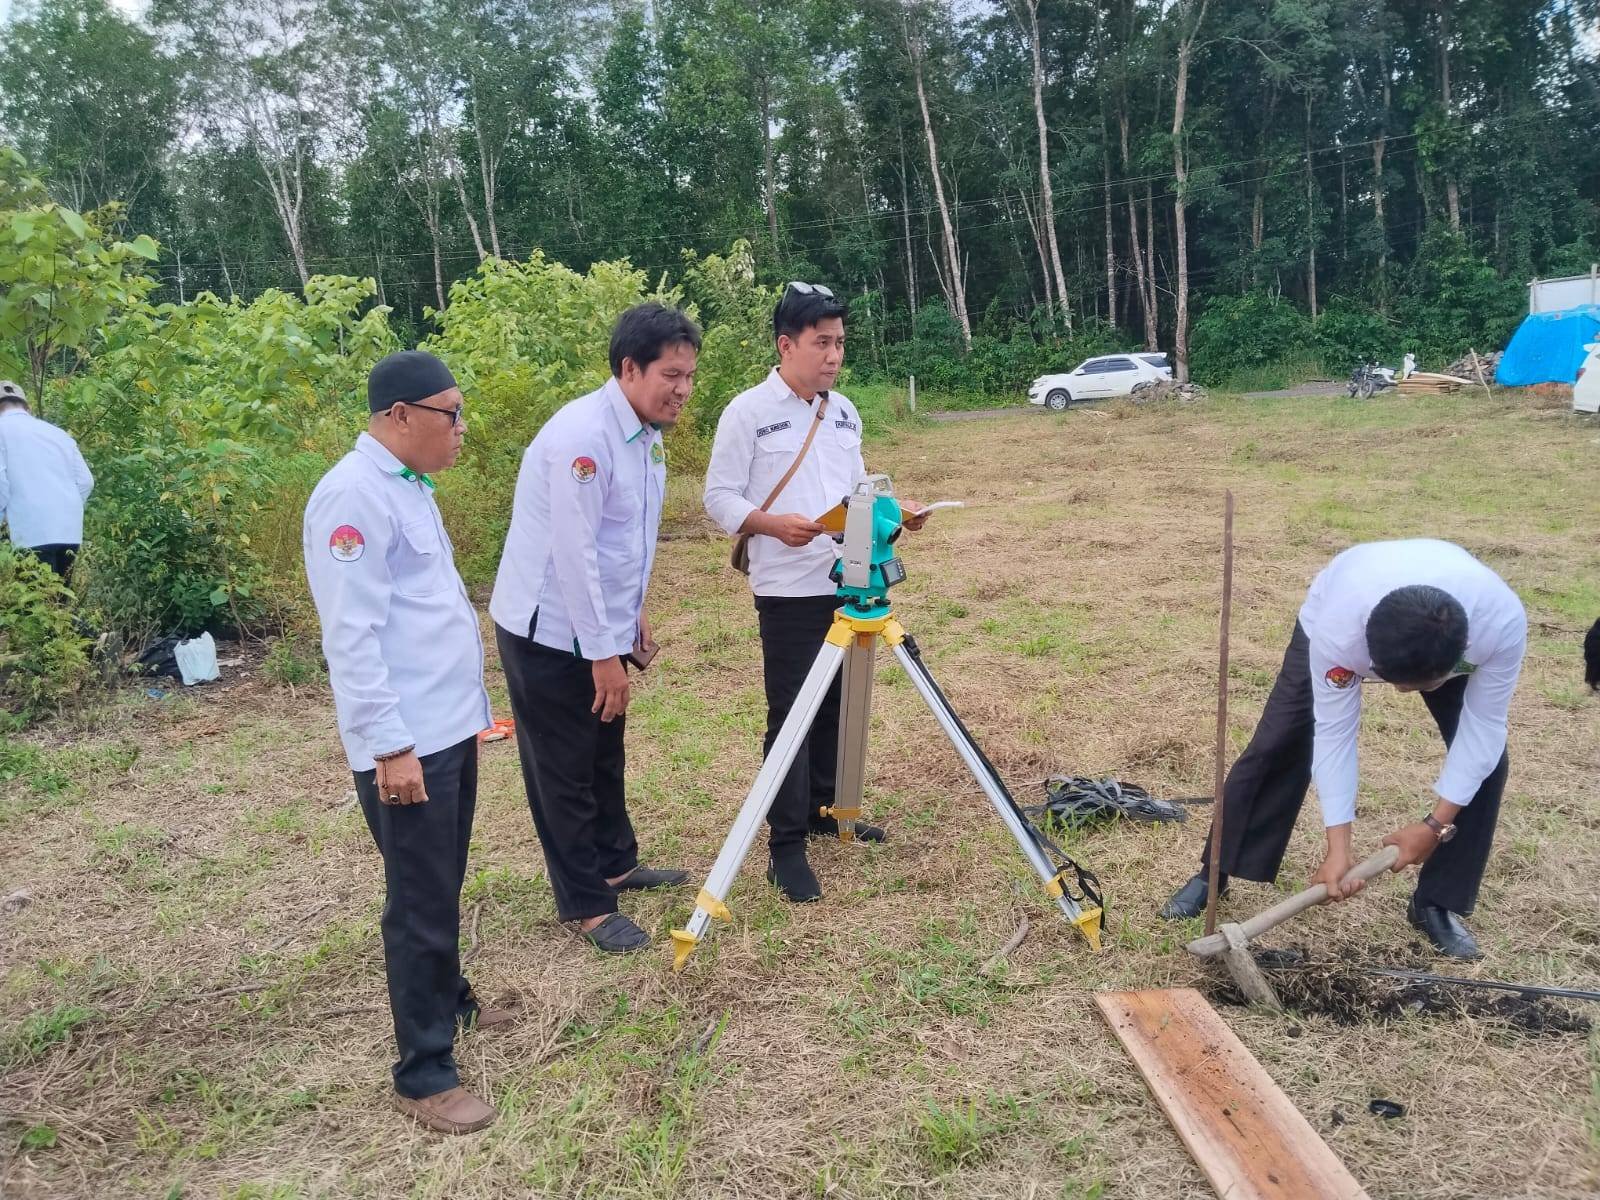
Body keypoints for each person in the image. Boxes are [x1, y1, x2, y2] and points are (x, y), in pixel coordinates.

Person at [303, 350, 511, 1135]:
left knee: (440, 880)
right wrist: (390, 746)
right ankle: (424, 1074)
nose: (461, 429)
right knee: (419, 900)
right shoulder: (352, 498)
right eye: (449, 414)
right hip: (407, 744)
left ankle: (448, 999)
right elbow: (351, 638)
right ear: (399, 416)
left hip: (445, 725)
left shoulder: (408, 489)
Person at [1160, 539, 1527, 960]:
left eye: (1419, 685)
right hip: (1344, 607)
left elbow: (1483, 729)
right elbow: (1333, 735)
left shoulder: (1500, 625)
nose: (1404, 695)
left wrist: (1434, 826)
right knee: (1279, 741)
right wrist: (1339, 847)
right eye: (1394, 682)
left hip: (1448, 637)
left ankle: (1435, 903)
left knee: (1488, 765)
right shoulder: (1340, 630)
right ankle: (1215, 872)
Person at [703, 282, 926, 904]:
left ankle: (830, 809)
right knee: (793, 714)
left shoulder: (845, 410)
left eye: (840, 344)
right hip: (787, 588)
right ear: (786, 345)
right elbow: (718, 498)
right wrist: (773, 525)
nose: (833, 356)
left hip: (849, 580)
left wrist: (896, 509)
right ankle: (786, 845)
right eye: (821, 343)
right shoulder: (747, 412)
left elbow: (858, 488)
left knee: (838, 703)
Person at [490, 303, 697, 954]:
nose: (683, 390)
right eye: (671, 374)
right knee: (565, 767)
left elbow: (625, 541)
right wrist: (602, 657)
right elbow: (573, 556)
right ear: (629, 369)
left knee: (606, 751)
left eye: (690, 376)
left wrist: (630, 617)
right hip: (549, 629)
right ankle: (585, 901)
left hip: (600, 624)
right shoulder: (584, 437)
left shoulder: (645, 434)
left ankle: (615, 862)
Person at [0, 380, 94, 581]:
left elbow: (1, 486)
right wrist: (66, 511)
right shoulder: (58, 434)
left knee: (34, 606)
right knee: (59, 604)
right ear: (28, 407)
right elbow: (86, 482)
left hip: (29, 532)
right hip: (69, 531)